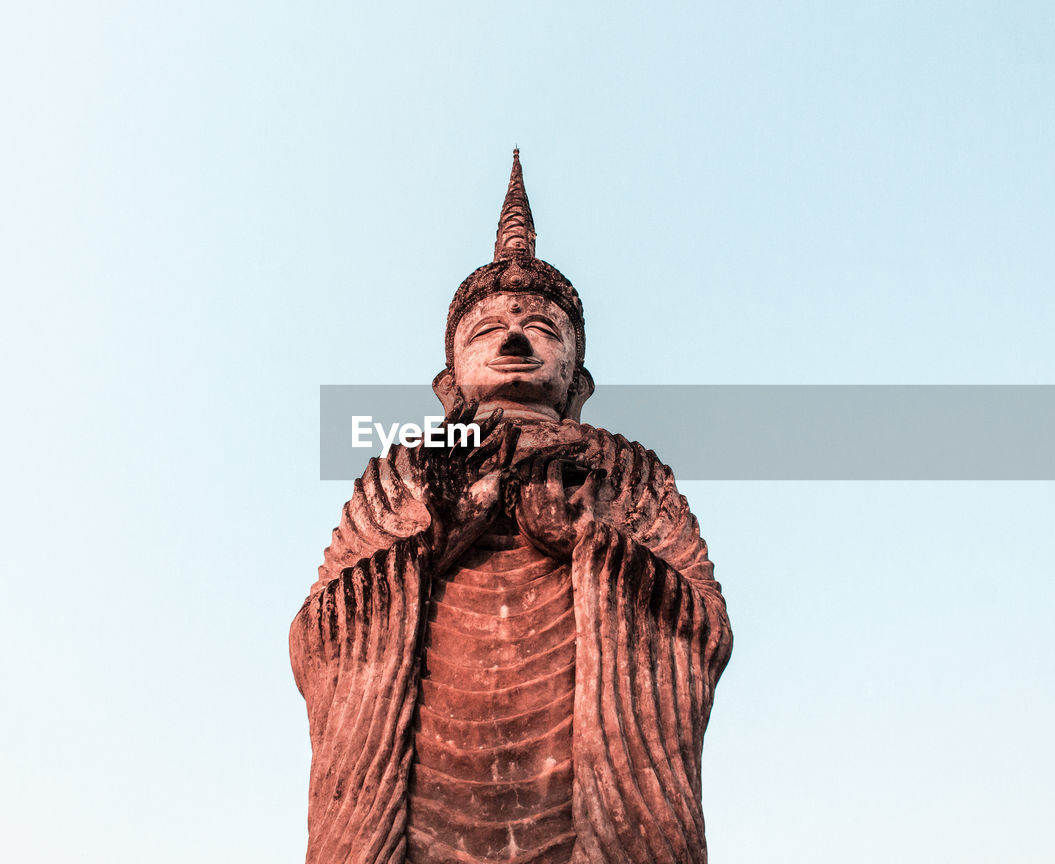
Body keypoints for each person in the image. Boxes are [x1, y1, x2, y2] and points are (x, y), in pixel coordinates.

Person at [291, 150, 732, 864]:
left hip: (593, 792)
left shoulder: (624, 470)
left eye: (542, 330)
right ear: (450, 382)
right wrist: (436, 535)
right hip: (418, 794)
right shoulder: (406, 470)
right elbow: (320, 635)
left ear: (577, 383)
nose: (517, 338)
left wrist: (592, 545)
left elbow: (701, 622)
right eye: (488, 329)